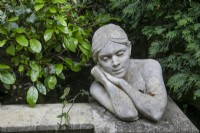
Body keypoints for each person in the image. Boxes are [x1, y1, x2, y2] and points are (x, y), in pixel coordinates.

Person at [90, 24, 167, 122]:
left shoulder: (149, 67)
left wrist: (121, 83)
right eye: (106, 58)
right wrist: (107, 82)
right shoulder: (98, 87)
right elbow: (130, 114)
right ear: (98, 62)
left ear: (129, 48)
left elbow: (156, 111)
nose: (115, 63)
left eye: (120, 54)